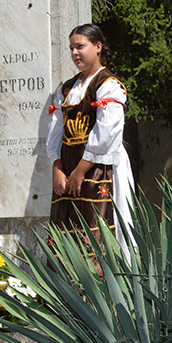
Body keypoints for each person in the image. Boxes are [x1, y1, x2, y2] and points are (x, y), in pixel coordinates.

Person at [47, 24, 134, 259]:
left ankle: (100, 287)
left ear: (98, 47)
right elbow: (55, 133)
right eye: (71, 48)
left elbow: (106, 135)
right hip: (67, 168)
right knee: (66, 228)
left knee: (98, 225)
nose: (75, 53)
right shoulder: (66, 89)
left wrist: (80, 171)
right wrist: (57, 168)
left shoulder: (108, 85)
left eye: (80, 46)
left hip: (99, 168)